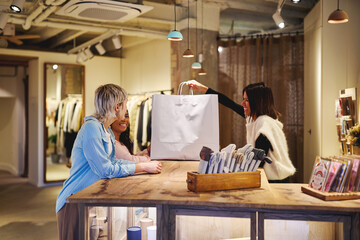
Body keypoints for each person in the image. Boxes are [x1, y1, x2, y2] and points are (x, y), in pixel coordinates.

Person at [56, 84, 162, 240]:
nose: (126, 110)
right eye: (125, 105)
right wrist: (142, 166)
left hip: (90, 198)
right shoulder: (91, 129)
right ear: (117, 107)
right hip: (73, 200)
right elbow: (105, 169)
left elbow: (115, 162)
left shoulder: (105, 131)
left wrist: (143, 166)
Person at [187, 80, 295, 182]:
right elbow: (230, 103)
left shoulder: (264, 124)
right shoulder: (256, 118)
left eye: (247, 100)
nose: (243, 103)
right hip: (274, 176)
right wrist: (202, 89)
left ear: (257, 102)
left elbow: (257, 161)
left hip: (275, 179)